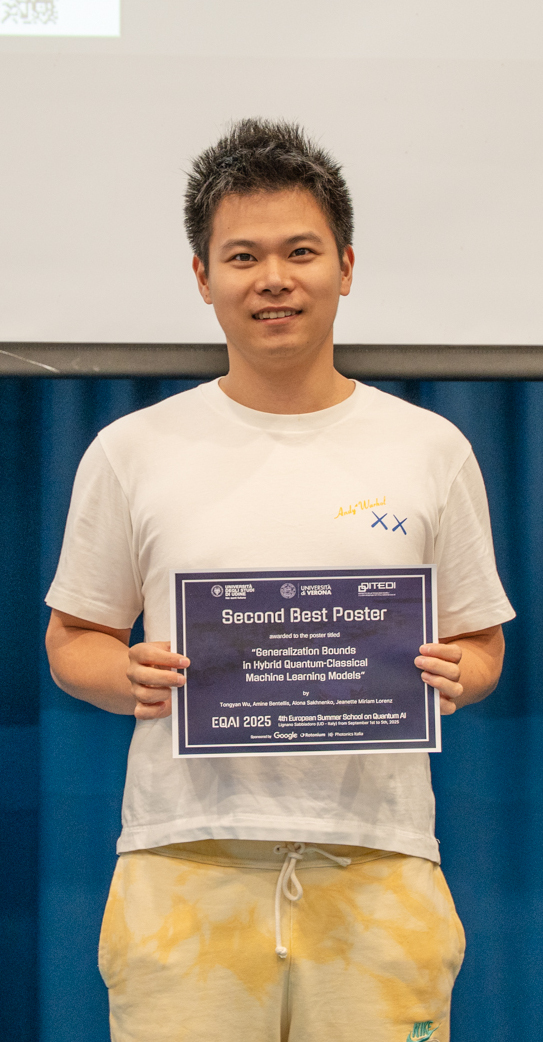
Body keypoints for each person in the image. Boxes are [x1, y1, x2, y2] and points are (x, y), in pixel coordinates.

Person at [45, 118, 515, 1042]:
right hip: (181, 866)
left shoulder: (429, 448)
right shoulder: (132, 450)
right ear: (202, 277)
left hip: (381, 868)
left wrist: (462, 673)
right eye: (242, 257)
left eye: (300, 252)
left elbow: (480, 642)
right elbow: (74, 640)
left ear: (345, 266)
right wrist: (123, 673)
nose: (273, 279)